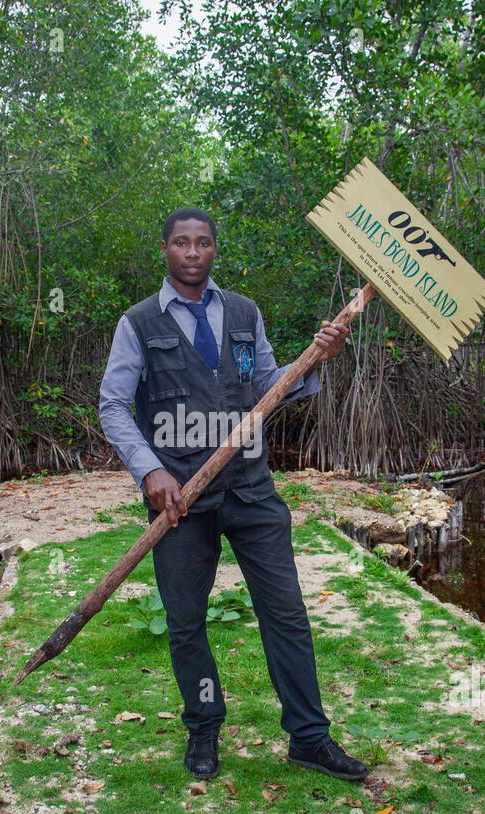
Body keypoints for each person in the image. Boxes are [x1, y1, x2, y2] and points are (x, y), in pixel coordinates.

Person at [98, 206, 368, 781]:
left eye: (203, 244)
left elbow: (271, 387)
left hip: (251, 491)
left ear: (215, 250)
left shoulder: (244, 312)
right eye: (181, 243)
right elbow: (114, 406)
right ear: (165, 250)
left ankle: (309, 738)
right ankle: (203, 728)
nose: (193, 253)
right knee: (186, 621)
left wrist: (314, 358)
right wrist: (150, 472)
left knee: (287, 614)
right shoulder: (138, 323)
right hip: (181, 503)